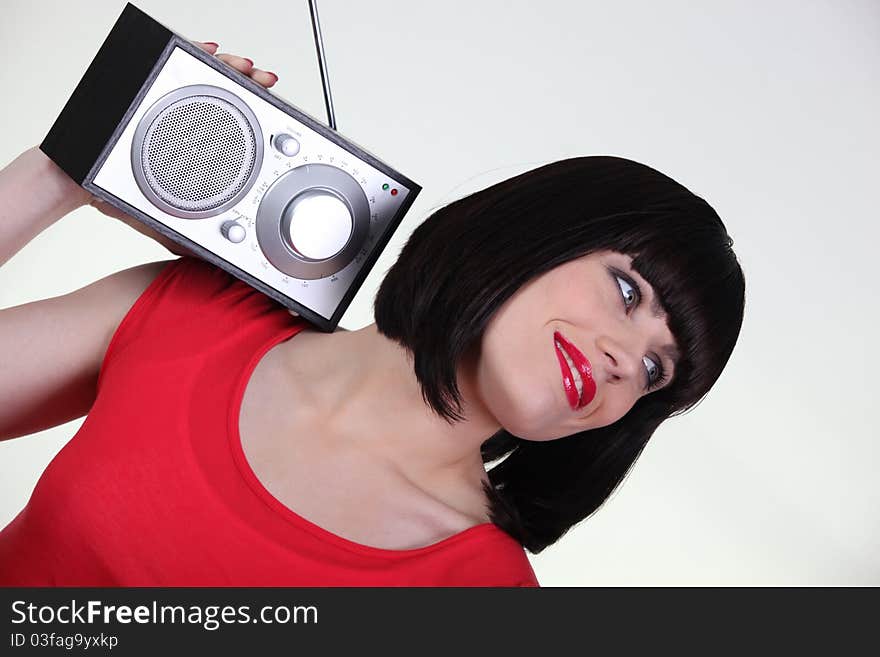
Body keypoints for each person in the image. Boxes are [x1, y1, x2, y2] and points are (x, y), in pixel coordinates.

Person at [0, 45, 746, 587]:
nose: (625, 361)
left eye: (656, 370)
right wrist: (60, 173)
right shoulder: (197, 312)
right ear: (533, 234)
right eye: (626, 293)